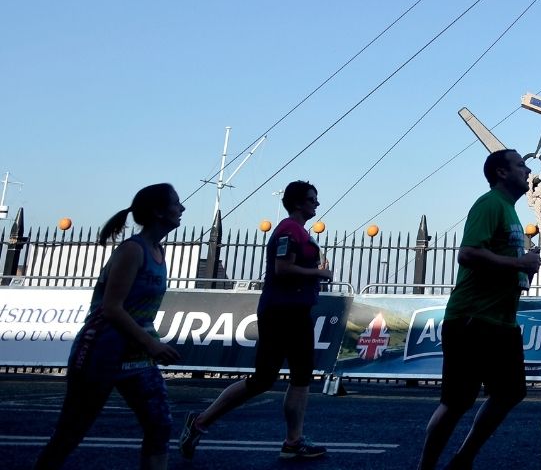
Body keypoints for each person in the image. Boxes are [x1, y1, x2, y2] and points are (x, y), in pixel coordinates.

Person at [34, 183, 185, 470]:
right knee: (71, 431)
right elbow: (111, 307)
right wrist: (152, 344)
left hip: (136, 354)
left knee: (160, 425)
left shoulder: (158, 251)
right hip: (102, 349)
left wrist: (147, 344)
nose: (182, 208)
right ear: (158, 212)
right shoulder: (132, 250)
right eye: (176, 203)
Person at [180, 180, 333, 461]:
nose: (317, 204)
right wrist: (319, 274)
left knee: (302, 377)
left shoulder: (299, 231)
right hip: (281, 312)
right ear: (298, 203)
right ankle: (200, 421)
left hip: (298, 311)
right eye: (312, 199)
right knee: (264, 378)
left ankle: (293, 441)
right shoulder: (288, 230)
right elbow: (282, 269)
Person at [418, 149, 541, 470]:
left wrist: (523, 270)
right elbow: (468, 254)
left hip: (501, 320)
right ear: (501, 172)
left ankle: (462, 460)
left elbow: (500, 262)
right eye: (520, 165)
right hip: (473, 319)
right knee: (457, 401)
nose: (527, 171)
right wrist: (520, 263)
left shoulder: (510, 211)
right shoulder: (489, 204)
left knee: (510, 393)